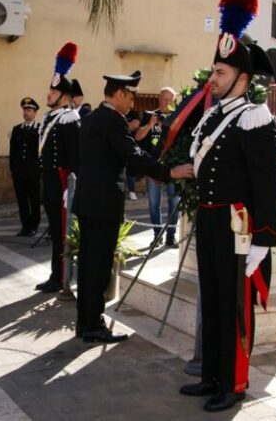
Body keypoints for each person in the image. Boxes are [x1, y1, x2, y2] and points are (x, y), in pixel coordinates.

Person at [179, 0, 276, 413]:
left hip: (240, 227)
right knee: (214, 301)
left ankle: (235, 384)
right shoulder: (214, 116)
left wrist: (263, 239)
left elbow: (269, 184)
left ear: (242, 77)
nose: (213, 79)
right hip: (210, 219)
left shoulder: (254, 118)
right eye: (214, 71)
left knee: (235, 306)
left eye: (220, 73)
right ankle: (212, 377)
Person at [73, 71, 194, 344]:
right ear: (118, 94)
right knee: (99, 267)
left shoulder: (91, 119)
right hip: (103, 205)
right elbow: (133, 155)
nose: (132, 103)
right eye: (130, 97)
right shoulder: (113, 121)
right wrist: (169, 172)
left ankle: (85, 322)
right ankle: (93, 326)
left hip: (89, 202)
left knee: (88, 266)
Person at [37, 42, 81, 294]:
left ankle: (62, 275)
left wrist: (71, 187)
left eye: (54, 92)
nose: (49, 94)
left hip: (62, 180)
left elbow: (75, 157)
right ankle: (55, 273)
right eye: (50, 91)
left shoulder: (68, 119)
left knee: (61, 229)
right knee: (54, 230)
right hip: (49, 179)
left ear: (64, 97)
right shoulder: (51, 117)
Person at [135, 87, 181, 247]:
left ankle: (171, 236)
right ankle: (157, 235)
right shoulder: (149, 115)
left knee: (174, 203)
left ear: (173, 100)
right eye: (162, 99)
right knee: (154, 203)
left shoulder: (179, 116)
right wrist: (150, 125)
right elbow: (138, 136)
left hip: (173, 167)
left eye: (168, 100)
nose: (165, 102)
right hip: (153, 166)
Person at [9, 98, 41, 237]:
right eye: (25, 110)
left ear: (35, 112)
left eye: (29, 110)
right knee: (22, 201)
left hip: (33, 172)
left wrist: (39, 170)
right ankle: (25, 226)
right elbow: (13, 151)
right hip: (19, 172)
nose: (26, 113)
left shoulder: (39, 129)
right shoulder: (17, 129)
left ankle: (33, 226)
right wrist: (13, 169)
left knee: (34, 200)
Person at [125, 110, 141, 201]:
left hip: (132, 144)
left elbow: (135, 125)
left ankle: (132, 191)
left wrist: (122, 125)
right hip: (118, 144)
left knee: (131, 169)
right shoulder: (116, 112)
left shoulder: (133, 113)